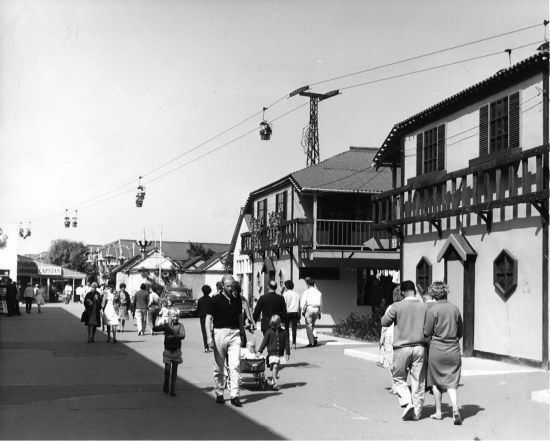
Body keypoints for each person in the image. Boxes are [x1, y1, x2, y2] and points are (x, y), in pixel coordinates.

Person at [381, 280, 428, 421]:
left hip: (402, 347)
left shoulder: (397, 306)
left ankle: (408, 403)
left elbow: (384, 321)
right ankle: (417, 413)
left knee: (398, 378)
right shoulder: (424, 307)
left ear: (402, 292)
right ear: (414, 290)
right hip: (420, 347)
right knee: (418, 381)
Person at [423, 281, 464, 425]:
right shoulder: (455, 309)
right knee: (452, 382)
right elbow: (460, 332)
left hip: (436, 350)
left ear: (433, 294)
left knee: (435, 381)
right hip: (453, 349)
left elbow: (427, 332)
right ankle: (455, 409)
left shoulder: (432, 311)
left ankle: (439, 412)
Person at [205, 275, 244, 407]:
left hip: (234, 333)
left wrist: (242, 332)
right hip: (219, 333)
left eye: (232, 286)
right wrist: (209, 337)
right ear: (222, 285)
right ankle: (220, 393)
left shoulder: (236, 300)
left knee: (235, 365)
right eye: (227, 286)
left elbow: (240, 316)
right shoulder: (215, 300)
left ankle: (235, 395)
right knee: (219, 366)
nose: (230, 288)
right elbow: (208, 319)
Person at [153, 307, 186, 397]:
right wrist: (155, 323)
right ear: (169, 316)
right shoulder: (167, 325)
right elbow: (156, 328)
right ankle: (166, 382)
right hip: (167, 350)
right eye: (174, 316)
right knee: (167, 370)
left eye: (177, 316)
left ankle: (172, 389)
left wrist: (175, 337)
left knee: (174, 371)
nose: (176, 318)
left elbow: (182, 335)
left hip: (176, 351)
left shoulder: (180, 326)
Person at [379, 286, 404, 394]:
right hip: (402, 336)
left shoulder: (391, 308)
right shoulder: (406, 307)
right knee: (401, 363)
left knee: (391, 363)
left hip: (390, 336)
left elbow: (384, 325)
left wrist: (381, 339)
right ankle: (400, 385)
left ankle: (394, 385)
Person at [257, 314, 290, 391]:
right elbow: (264, 342)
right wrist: (260, 350)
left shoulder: (284, 332)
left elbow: (286, 343)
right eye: (272, 325)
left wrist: (288, 352)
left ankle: (272, 381)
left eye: (274, 324)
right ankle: (274, 384)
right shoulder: (269, 332)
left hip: (280, 354)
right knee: (275, 366)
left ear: (279, 323)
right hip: (272, 353)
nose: (273, 326)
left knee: (276, 367)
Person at [301, 278, 322, 347]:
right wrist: (319, 312)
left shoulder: (306, 292)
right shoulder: (318, 292)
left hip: (309, 308)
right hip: (316, 308)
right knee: (313, 324)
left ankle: (311, 342)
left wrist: (303, 310)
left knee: (308, 326)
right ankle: (315, 337)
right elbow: (321, 304)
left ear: (307, 284)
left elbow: (302, 303)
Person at [233, 281, 255, 347]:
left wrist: (251, 323)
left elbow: (248, 313)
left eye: (235, 290)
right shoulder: (229, 299)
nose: (234, 292)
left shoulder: (243, 300)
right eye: (232, 291)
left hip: (241, 326)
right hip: (231, 327)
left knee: (242, 345)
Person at [282, 280, 300, 350]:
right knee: (294, 328)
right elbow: (299, 305)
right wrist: (299, 314)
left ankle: (287, 343)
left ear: (286, 287)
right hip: (295, 312)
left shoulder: (285, 294)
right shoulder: (297, 294)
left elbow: (284, 305)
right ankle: (294, 344)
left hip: (287, 312)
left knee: (286, 328)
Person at [197, 284, 213, 352]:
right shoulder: (211, 299)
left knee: (204, 332)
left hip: (202, 317)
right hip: (210, 317)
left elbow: (198, 309)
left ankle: (206, 347)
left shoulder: (200, 300)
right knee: (210, 331)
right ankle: (211, 345)